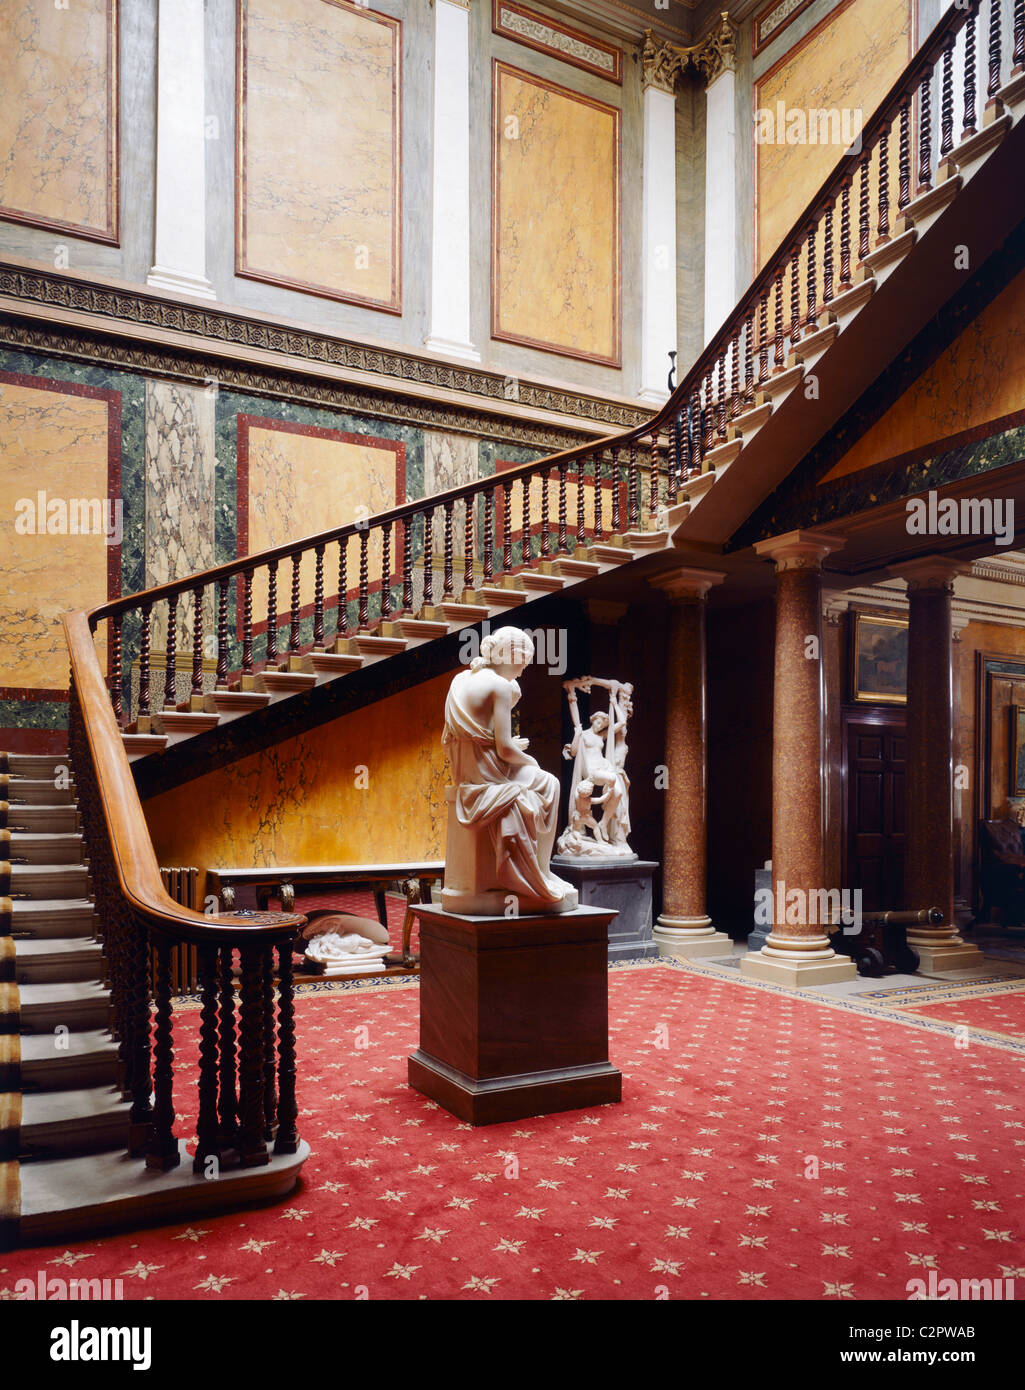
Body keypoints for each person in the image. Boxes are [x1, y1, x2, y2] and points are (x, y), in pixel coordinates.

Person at [443, 627, 575, 912]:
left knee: (538, 780)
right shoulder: (500, 686)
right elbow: (503, 750)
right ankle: (541, 869)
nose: (525, 668)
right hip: (487, 776)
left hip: (467, 770)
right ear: (508, 654)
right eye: (524, 660)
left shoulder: (461, 678)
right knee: (549, 782)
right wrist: (531, 761)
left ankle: (540, 868)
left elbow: (474, 738)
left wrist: (507, 746)